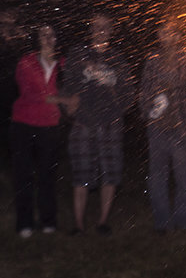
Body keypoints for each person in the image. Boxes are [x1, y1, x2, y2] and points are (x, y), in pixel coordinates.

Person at [62, 13, 133, 235]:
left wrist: (116, 112)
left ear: (111, 31)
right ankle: (78, 225)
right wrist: (69, 106)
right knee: (81, 174)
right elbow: (67, 85)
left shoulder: (118, 59)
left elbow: (130, 94)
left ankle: (102, 222)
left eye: (105, 27)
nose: (100, 30)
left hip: (110, 125)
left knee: (110, 174)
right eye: (96, 26)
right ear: (90, 29)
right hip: (83, 123)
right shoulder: (77, 54)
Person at [139, 19, 186, 232]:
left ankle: (181, 224)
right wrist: (148, 113)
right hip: (157, 129)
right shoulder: (152, 59)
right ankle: (162, 223)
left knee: (183, 179)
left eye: (169, 33)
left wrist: (167, 80)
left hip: (183, 129)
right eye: (161, 33)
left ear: (178, 36)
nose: (164, 37)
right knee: (157, 178)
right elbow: (145, 91)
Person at [10, 23, 65, 236]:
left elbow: (73, 85)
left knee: (47, 176)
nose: (48, 38)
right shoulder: (26, 61)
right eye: (43, 34)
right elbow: (30, 93)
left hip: (49, 127)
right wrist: (63, 99)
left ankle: (48, 221)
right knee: (23, 176)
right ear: (37, 38)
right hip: (23, 125)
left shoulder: (63, 64)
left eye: (52, 34)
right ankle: (25, 223)